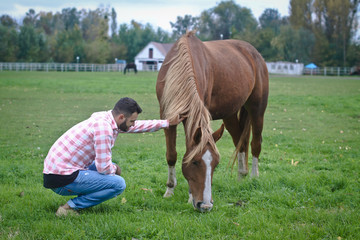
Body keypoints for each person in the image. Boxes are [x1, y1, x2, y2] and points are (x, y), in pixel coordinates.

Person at [43, 97, 183, 216]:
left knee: (108, 172)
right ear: (121, 117)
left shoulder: (107, 118)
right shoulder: (104, 129)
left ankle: (81, 198)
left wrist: (167, 123)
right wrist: (115, 169)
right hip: (61, 178)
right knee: (118, 183)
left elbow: (138, 126)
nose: (133, 124)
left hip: (59, 169)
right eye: (131, 121)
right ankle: (69, 208)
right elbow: (104, 168)